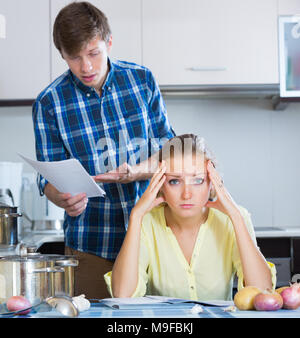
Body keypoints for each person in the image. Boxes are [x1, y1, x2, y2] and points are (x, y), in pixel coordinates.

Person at [32, 1, 175, 299]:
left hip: (155, 240)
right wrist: (61, 197)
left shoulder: (142, 80)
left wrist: (135, 172)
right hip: (92, 247)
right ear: (62, 54)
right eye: (74, 57)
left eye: (94, 53)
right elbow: (48, 178)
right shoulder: (49, 103)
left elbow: (170, 150)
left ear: (109, 43)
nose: (86, 67)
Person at [104, 134, 276, 300]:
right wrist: (136, 216)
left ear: (212, 181)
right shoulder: (146, 221)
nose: (187, 194)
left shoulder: (233, 219)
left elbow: (262, 293)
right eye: (175, 181)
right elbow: (123, 295)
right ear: (160, 183)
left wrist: (236, 218)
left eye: (197, 180)